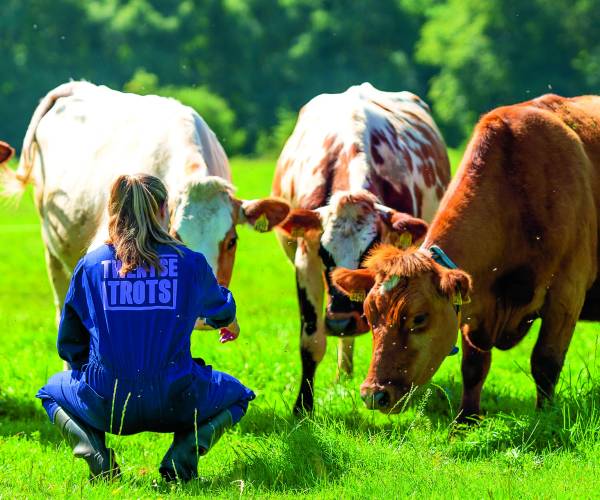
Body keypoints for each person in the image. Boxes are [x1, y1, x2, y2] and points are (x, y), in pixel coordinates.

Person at [36, 173, 255, 482]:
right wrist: (230, 323)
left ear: (112, 209)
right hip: (177, 400)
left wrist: (89, 380)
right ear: (165, 210)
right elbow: (222, 311)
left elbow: (70, 342)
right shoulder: (190, 262)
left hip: (106, 403)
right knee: (239, 395)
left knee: (51, 393)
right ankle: (182, 459)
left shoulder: (90, 265)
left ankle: (96, 454)